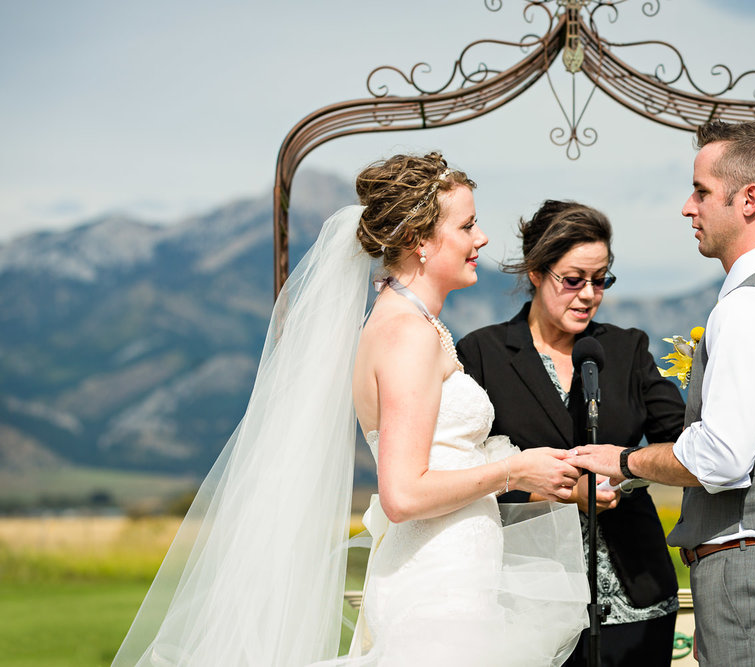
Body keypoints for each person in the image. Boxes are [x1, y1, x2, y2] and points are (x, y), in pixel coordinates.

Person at [111, 153, 588, 667]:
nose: (483, 239)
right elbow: (403, 494)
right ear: (420, 242)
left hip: (452, 575)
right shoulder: (406, 335)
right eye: (468, 225)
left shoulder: (413, 324)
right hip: (436, 590)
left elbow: (441, 458)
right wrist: (514, 469)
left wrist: (538, 475)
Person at [569, 120, 755, 666]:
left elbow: (721, 458)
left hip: (752, 584)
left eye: (700, 191)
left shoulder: (749, 307)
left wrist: (624, 460)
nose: (687, 207)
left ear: (749, 199)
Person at [457, 200, 686, 666]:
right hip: (525, 601)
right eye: (574, 279)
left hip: (633, 597)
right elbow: (462, 472)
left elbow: (684, 445)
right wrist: (559, 493)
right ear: (537, 272)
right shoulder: (483, 353)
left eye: (600, 279)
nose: (589, 294)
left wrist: (625, 472)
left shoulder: (627, 348)